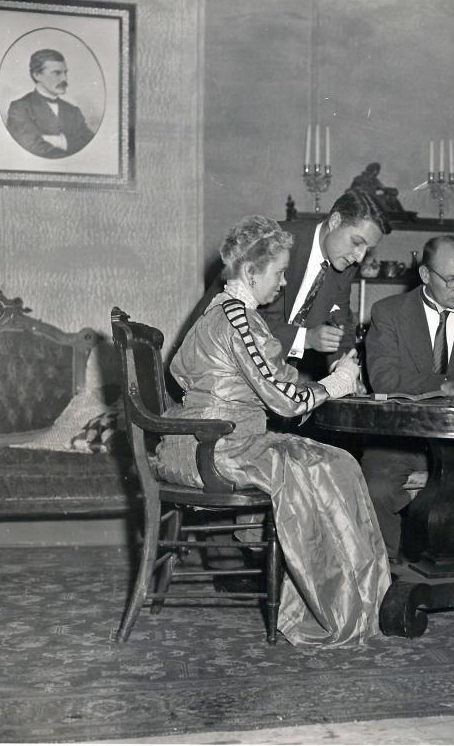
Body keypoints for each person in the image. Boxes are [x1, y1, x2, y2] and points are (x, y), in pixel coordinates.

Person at [153, 214, 391, 646]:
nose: (283, 284)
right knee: (334, 465)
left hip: (194, 442)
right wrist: (333, 385)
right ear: (251, 272)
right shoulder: (240, 320)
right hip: (220, 449)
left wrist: (234, 396)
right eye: (279, 273)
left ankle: (345, 591)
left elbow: (183, 371)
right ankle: (341, 605)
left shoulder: (217, 311)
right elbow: (285, 400)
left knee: (326, 460)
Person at [362, 235, 454, 560]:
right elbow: (383, 380)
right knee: (376, 489)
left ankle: (447, 562)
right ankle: (384, 573)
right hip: (398, 443)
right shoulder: (387, 313)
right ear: (425, 275)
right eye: (450, 279)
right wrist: (445, 383)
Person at [254, 188, 391, 381]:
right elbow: (238, 318)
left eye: (367, 249)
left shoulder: (343, 264)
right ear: (335, 222)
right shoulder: (274, 241)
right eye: (356, 242)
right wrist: (306, 338)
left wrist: (344, 371)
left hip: (277, 379)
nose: (360, 257)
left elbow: (339, 322)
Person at [6, 49, 94, 158]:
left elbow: (90, 144)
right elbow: (33, 147)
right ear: (37, 75)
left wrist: (60, 142)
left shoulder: (73, 111)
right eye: (57, 73)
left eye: (65, 73)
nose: (64, 79)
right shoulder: (20, 108)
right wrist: (70, 147)